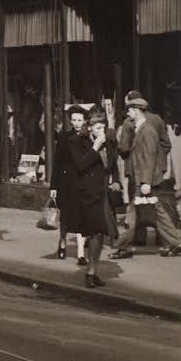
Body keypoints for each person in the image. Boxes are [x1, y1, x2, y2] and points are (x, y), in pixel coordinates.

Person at [109, 95, 181, 259]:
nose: (128, 114)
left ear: (136, 111)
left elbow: (149, 157)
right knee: (156, 214)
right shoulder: (141, 128)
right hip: (142, 180)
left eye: (129, 110)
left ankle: (124, 247)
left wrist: (146, 182)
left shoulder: (147, 131)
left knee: (134, 214)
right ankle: (175, 243)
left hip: (144, 181)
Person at [67, 108, 117, 287]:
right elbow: (80, 165)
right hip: (87, 192)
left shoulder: (108, 141)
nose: (101, 132)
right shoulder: (76, 142)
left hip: (102, 191)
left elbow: (112, 163)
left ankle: (93, 270)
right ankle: (90, 272)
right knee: (94, 230)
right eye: (97, 128)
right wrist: (96, 147)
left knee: (101, 232)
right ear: (88, 128)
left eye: (103, 128)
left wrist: (115, 179)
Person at [51, 107, 88, 264]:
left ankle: (80, 253)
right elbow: (57, 162)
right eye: (74, 120)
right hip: (66, 182)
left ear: (85, 121)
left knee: (83, 218)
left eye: (80, 120)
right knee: (65, 216)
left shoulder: (88, 138)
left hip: (83, 181)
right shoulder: (64, 137)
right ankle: (62, 242)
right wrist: (53, 186)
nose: (77, 123)